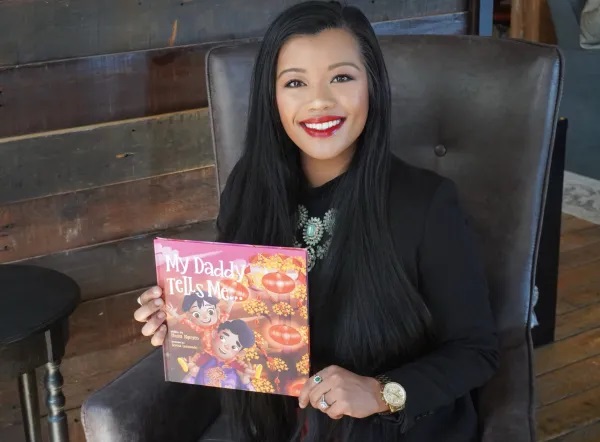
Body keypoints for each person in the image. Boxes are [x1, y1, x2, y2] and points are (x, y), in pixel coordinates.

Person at [133, 1, 499, 441]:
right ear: (273, 97)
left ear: (372, 87)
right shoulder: (249, 189)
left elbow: (475, 351)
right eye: (295, 83)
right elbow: (242, 320)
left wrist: (381, 392)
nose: (319, 101)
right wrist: (186, 317)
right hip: (282, 425)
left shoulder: (425, 203)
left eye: (342, 77)